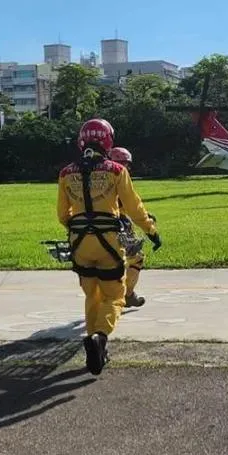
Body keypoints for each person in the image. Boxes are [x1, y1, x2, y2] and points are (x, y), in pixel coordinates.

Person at [57, 118, 162, 375]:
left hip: (80, 244)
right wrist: (151, 230)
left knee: (91, 295)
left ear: (82, 140)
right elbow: (134, 208)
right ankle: (100, 337)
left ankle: (95, 347)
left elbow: (62, 214)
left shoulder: (65, 173)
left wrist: (80, 227)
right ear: (108, 140)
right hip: (109, 245)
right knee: (115, 296)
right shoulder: (116, 170)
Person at [108, 146, 155, 308]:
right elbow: (131, 205)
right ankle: (127, 294)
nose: (126, 168)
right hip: (119, 225)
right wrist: (148, 224)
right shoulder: (119, 177)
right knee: (136, 258)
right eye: (124, 164)